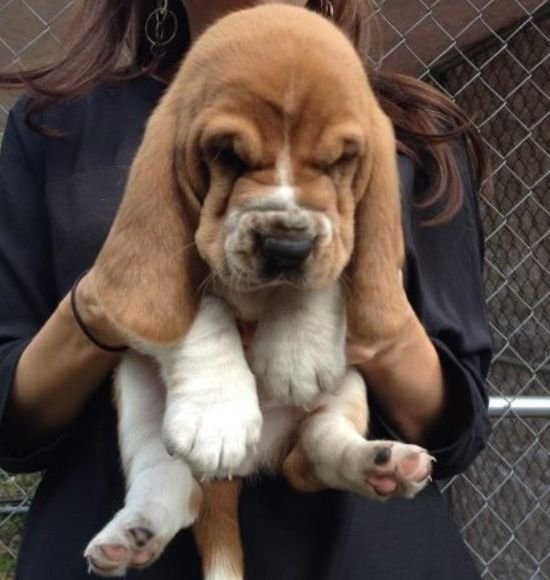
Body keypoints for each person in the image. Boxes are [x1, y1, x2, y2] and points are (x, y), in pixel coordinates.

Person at [0, 0, 492, 578]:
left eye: (333, 162)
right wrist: (105, 308)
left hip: (364, 555)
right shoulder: (56, 124)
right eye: (230, 155)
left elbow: (456, 427)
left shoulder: (413, 130)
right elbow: (12, 418)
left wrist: (355, 313)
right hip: (120, 529)